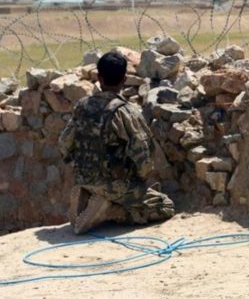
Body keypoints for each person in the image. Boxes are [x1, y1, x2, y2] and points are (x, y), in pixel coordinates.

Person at [59, 51, 175, 234]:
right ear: (124, 79)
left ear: (99, 78)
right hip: (115, 184)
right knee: (164, 206)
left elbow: (65, 143)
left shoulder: (81, 106)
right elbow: (143, 156)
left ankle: (89, 195)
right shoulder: (125, 112)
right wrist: (141, 181)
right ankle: (110, 211)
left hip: (83, 178)